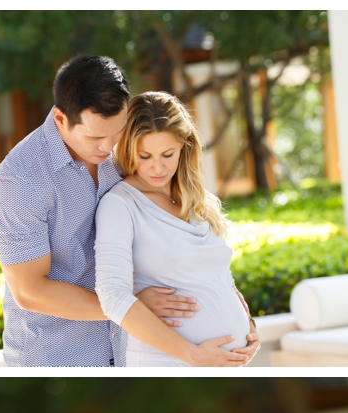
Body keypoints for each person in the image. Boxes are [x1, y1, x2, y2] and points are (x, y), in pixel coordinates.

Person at [0, 55, 199, 366]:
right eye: (95, 137)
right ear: (61, 119)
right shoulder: (19, 182)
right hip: (55, 361)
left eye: (117, 132)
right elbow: (30, 291)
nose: (108, 147)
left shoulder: (121, 150)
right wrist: (131, 307)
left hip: (126, 354)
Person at [95, 92, 260, 367]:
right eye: (144, 156)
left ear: (184, 146)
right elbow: (113, 297)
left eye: (167, 155)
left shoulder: (197, 199)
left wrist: (249, 326)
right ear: (128, 149)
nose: (157, 168)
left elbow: (217, 276)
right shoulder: (120, 204)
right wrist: (192, 355)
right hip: (168, 363)